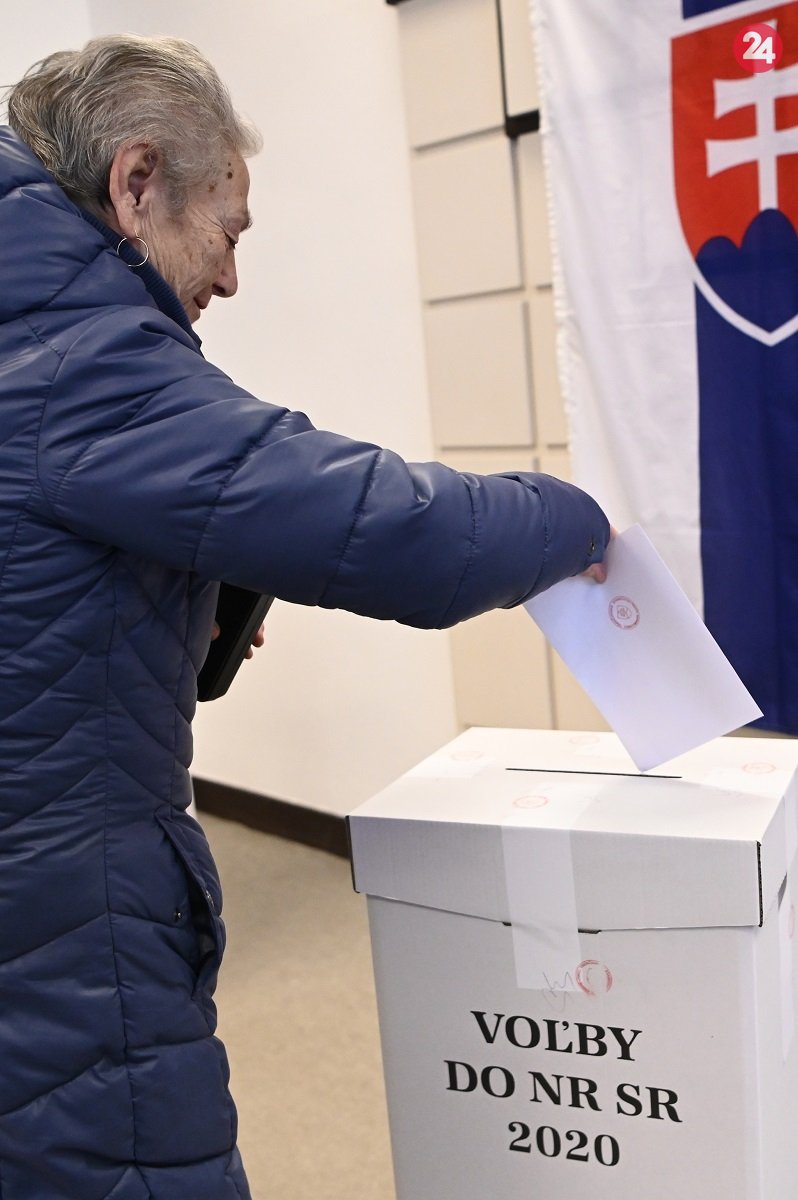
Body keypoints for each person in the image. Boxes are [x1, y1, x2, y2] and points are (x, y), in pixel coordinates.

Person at [0, 33, 610, 1200]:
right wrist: (580, 519)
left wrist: (167, 602)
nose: (230, 278)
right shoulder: (84, 360)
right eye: (226, 231)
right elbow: (403, 533)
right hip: (60, 923)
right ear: (137, 183)